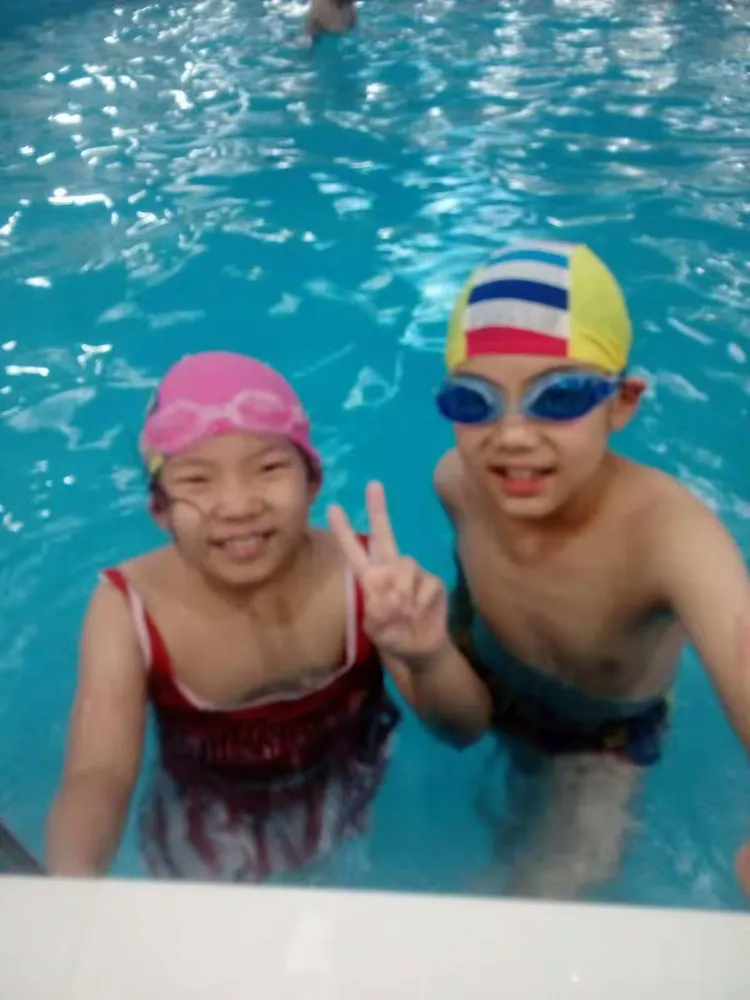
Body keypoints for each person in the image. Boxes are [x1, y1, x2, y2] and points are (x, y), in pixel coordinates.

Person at [46, 351, 484, 881]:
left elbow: (463, 730)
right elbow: (97, 775)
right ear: (160, 510)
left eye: (269, 468)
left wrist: (429, 656)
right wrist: (72, 882)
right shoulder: (128, 608)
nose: (237, 505)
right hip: (206, 825)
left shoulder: (365, 578)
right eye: (197, 480)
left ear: (312, 482)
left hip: (356, 792)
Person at [426, 239, 750, 898]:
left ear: (622, 403)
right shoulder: (456, 483)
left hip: (601, 741)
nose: (514, 435)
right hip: (490, 685)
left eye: (559, 396)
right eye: (475, 402)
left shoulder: (667, 534)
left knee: (547, 895)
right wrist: (429, 651)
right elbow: (466, 591)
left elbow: (740, 634)